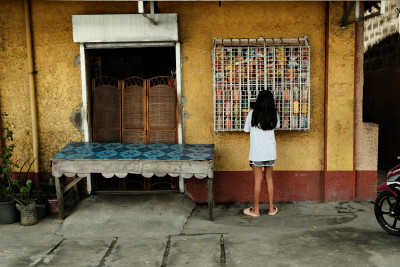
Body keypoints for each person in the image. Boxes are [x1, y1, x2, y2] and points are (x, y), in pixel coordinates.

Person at [243, 90, 280, 217]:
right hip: (270, 153)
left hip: (257, 154)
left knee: (257, 180)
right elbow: (276, 127)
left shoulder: (252, 114)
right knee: (269, 180)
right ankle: (271, 209)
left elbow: (246, 131)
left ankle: (256, 210)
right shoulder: (274, 115)